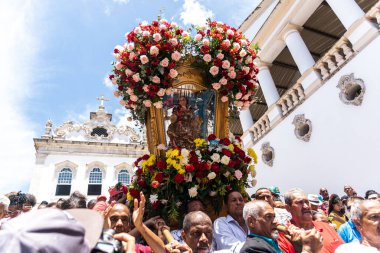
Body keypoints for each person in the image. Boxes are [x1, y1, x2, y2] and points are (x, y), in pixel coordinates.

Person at [241, 200, 323, 253]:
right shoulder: (253, 249)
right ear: (251, 222)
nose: (275, 222)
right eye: (268, 217)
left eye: (274, 217)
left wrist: (297, 245)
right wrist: (308, 249)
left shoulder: (272, 244)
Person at [284, 188, 344, 253]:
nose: (306, 206)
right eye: (300, 202)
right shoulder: (285, 237)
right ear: (288, 208)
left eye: (307, 202)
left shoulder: (327, 227)